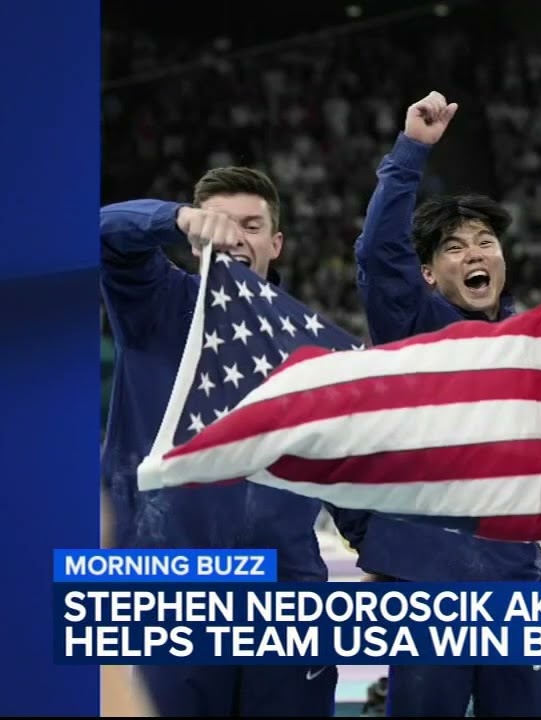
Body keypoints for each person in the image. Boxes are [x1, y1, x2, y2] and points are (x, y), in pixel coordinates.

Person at [334, 90, 541, 718]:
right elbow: (378, 254)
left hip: (520, 579)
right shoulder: (414, 322)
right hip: (431, 581)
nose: (475, 254)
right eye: (455, 248)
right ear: (429, 275)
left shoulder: (537, 343)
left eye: (485, 242)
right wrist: (411, 150)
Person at [99, 169, 338, 716]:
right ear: (194, 238)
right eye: (217, 224)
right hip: (170, 592)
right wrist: (175, 217)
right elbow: (100, 232)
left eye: (251, 226)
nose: (233, 237)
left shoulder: (313, 346)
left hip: (288, 595)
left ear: (275, 244)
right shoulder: (155, 305)